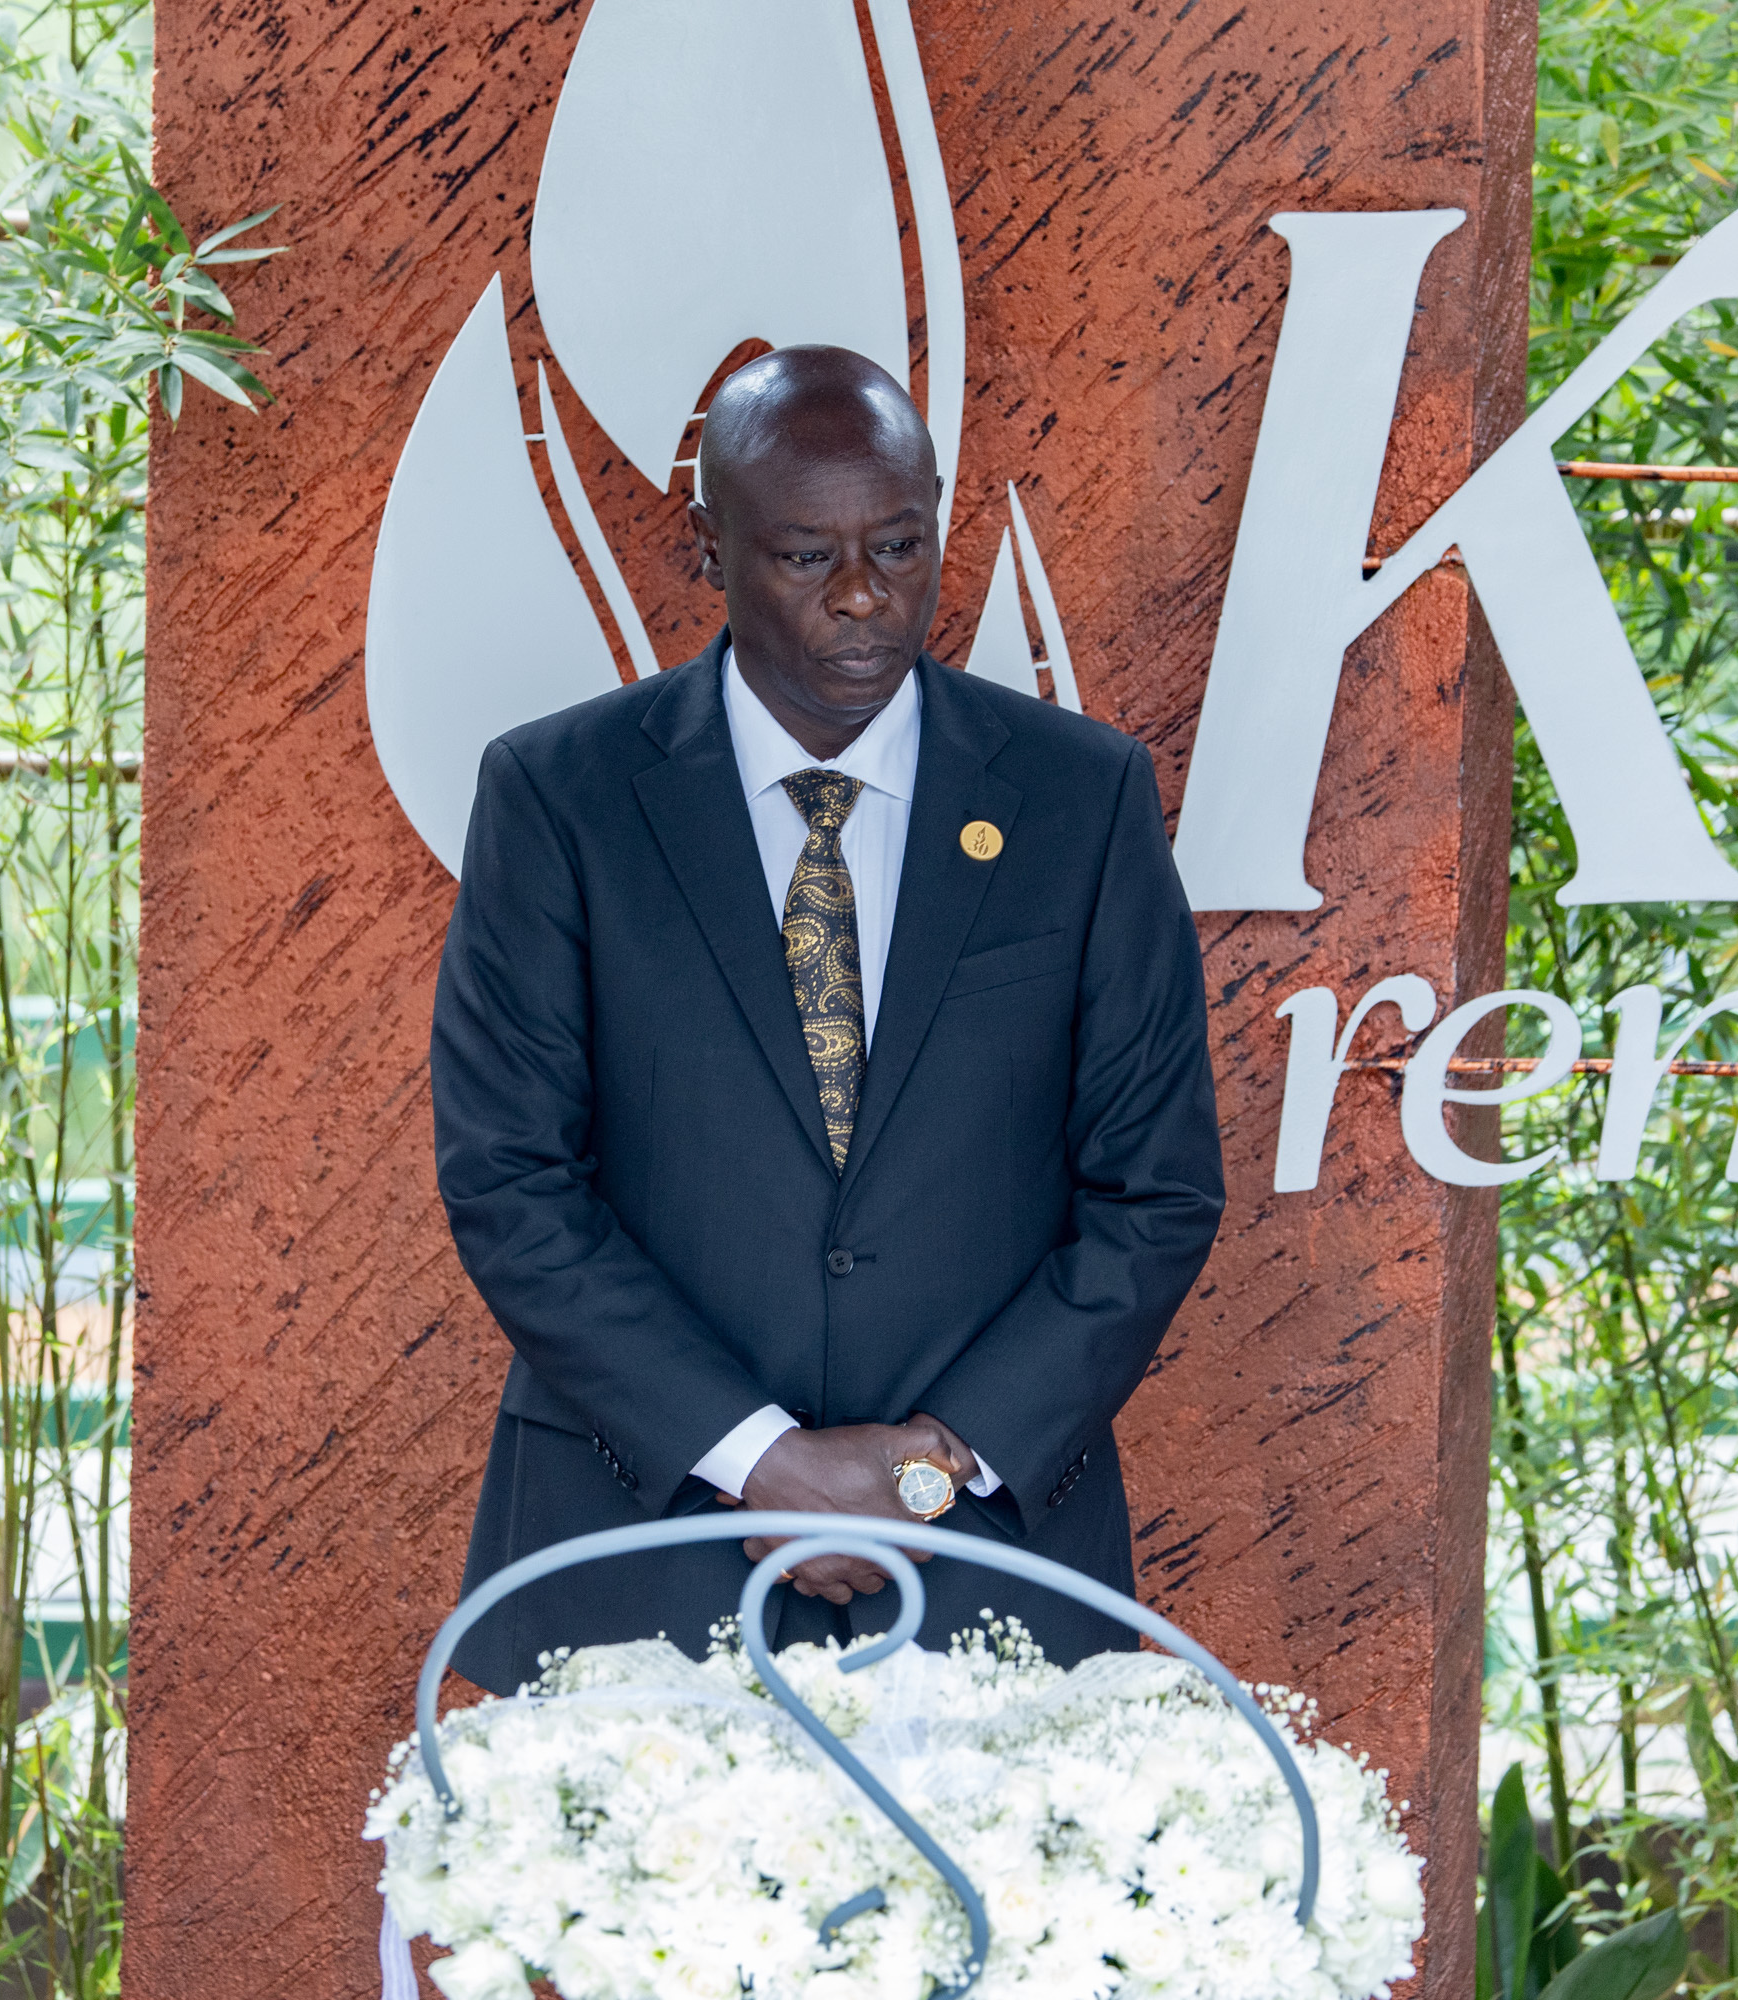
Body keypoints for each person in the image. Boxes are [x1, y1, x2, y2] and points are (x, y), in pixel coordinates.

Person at [430, 346, 1223, 1692]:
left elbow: (1155, 1192)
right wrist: (764, 1464)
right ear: (710, 547)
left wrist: (933, 1464)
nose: (864, 599)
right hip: (639, 1555)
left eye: (899, 546)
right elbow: (511, 1183)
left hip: (988, 1558)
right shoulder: (560, 799)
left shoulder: (1079, 800)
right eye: (807, 558)